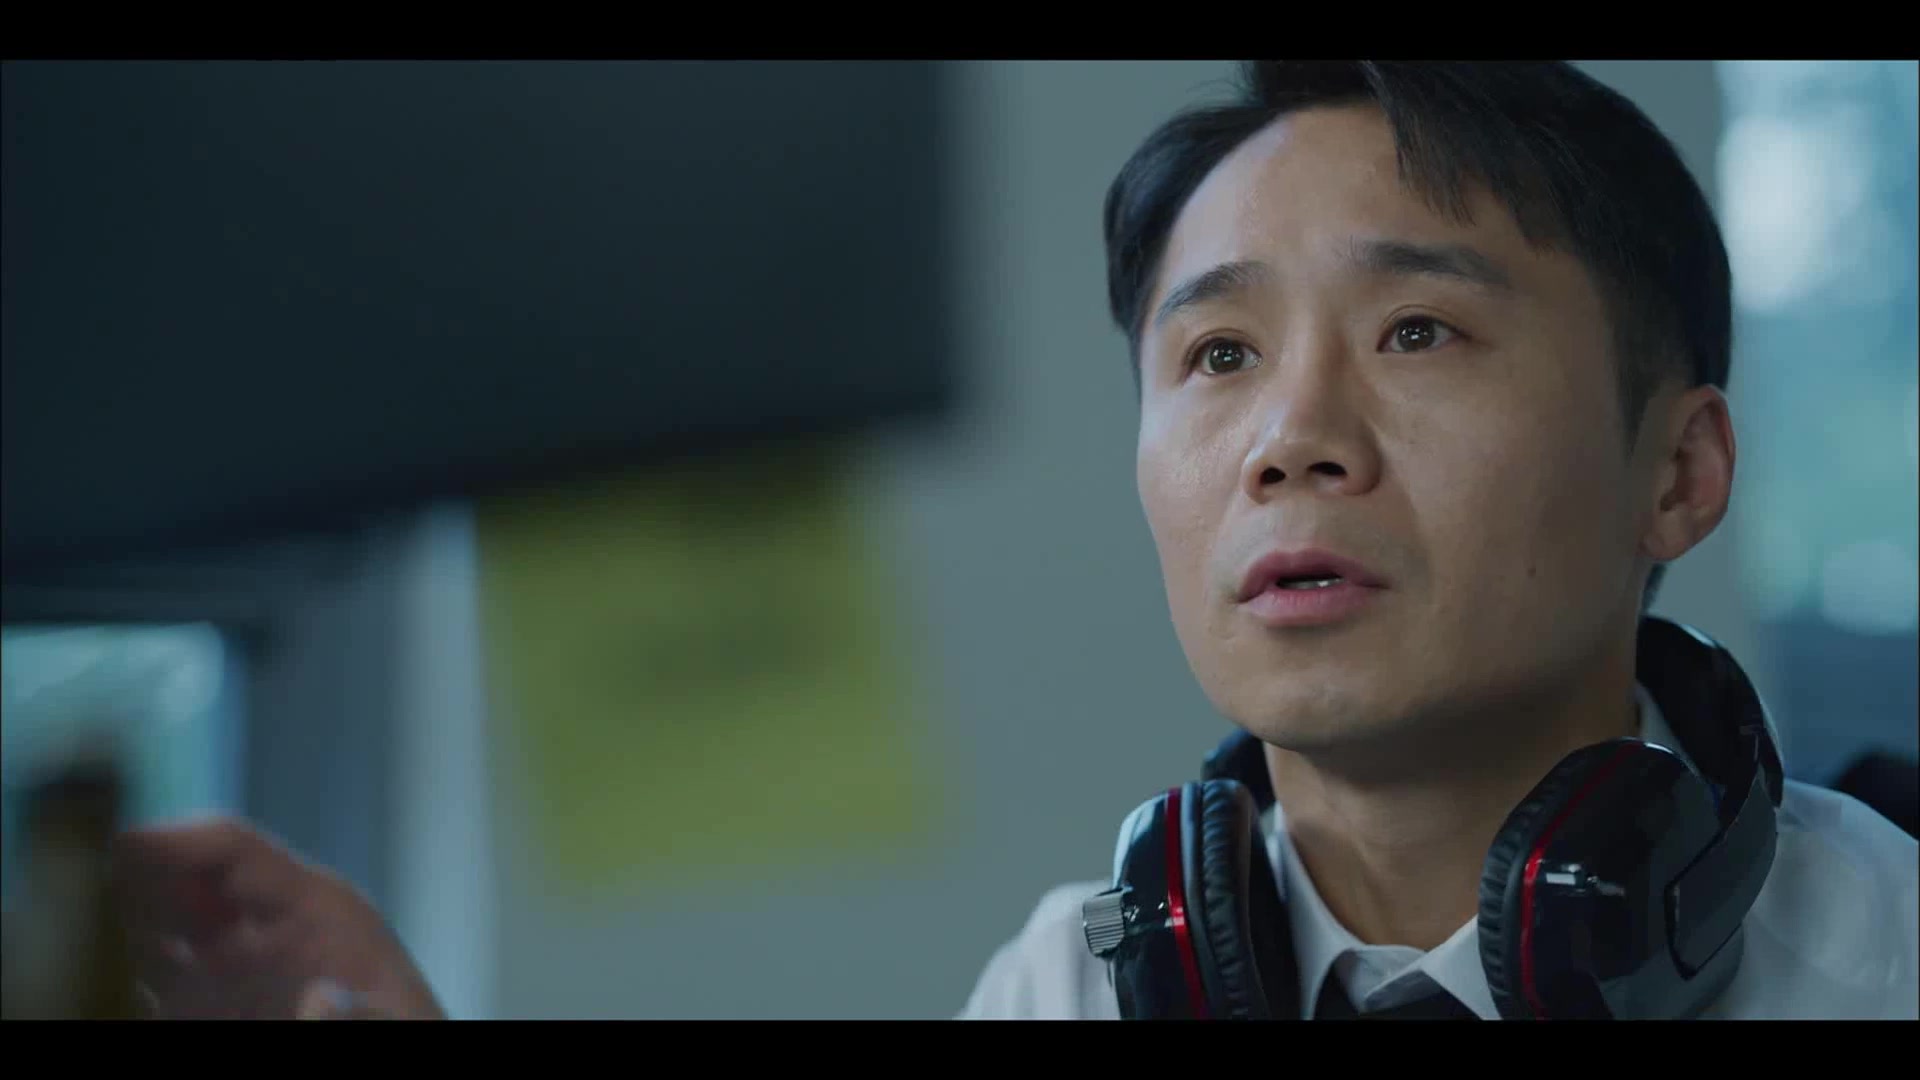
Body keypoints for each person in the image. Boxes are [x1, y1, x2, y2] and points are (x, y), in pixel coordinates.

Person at [109, 61, 1916, 1022]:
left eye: (1418, 330)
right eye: (1217, 356)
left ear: (1679, 473)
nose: (1291, 438)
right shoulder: (1074, 985)